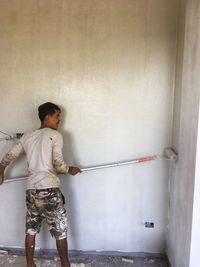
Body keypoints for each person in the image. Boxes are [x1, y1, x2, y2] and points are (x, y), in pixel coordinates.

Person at [0, 102, 81, 267]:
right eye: (57, 116)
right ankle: (65, 264)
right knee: (60, 231)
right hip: (50, 190)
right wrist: (69, 169)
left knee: (31, 229)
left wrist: (1, 170)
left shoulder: (27, 136)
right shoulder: (55, 135)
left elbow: (10, 155)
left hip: (32, 191)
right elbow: (58, 164)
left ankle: (30, 264)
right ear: (47, 117)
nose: (59, 120)